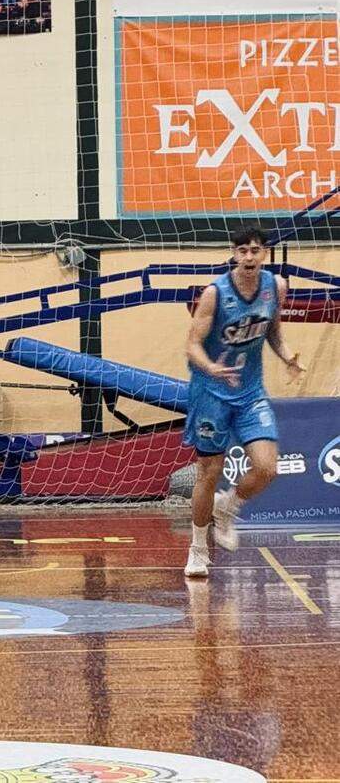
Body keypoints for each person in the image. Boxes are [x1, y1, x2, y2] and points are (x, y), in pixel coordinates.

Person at [183, 224, 305, 579]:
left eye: (255, 251)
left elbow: (273, 331)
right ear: (234, 254)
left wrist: (287, 357)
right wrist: (211, 368)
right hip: (211, 393)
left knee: (268, 468)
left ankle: (228, 507)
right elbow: (191, 345)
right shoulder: (215, 294)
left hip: (250, 393)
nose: (249, 257)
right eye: (243, 251)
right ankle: (197, 549)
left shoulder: (275, 287)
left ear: (264, 253)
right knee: (209, 472)